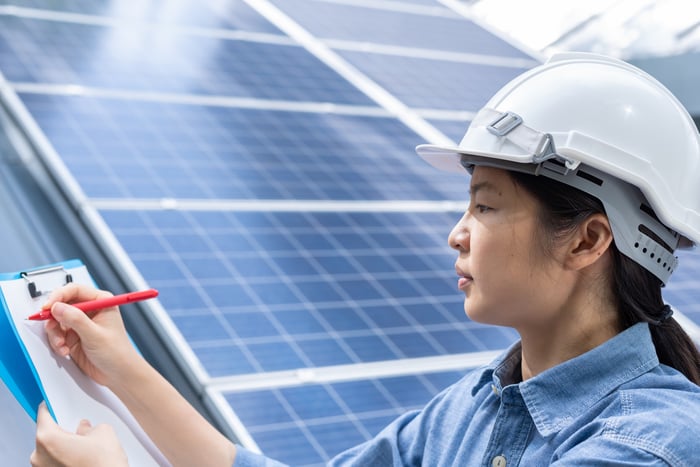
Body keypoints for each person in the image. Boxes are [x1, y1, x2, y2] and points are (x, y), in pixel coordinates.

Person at [32, 52, 700, 466]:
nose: (457, 233)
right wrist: (123, 368)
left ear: (587, 239)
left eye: (486, 205)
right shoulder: (470, 411)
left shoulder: (656, 442)